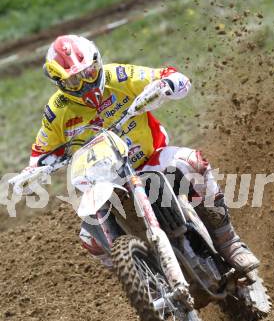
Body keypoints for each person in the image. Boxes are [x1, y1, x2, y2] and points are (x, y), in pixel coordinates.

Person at [25, 34, 259, 274]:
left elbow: (167, 76)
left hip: (151, 160)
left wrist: (168, 84)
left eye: (89, 73)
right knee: (89, 237)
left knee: (193, 163)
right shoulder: (57, 111)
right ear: (59, 83)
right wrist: (33, 172)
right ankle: (144, 282)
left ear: (97, 63)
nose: (85, 84)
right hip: (107, 183)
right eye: (74, 81)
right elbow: (40, 153)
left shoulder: (119, 75)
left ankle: (229, 243)